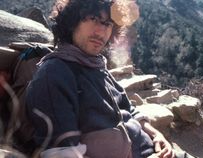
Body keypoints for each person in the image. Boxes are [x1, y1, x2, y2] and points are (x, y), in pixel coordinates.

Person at [25, 0, 194, 158]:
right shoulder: (55, 74)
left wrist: (157, 135)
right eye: (93, 19)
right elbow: (63, 153)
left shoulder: (96, 67)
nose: (101, 31)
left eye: (107, 24)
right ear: (71, 22)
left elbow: (129, 109)